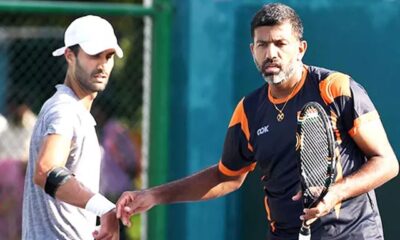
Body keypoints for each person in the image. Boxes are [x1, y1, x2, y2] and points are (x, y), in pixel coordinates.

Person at [115, 3, 399, 240]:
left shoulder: (335, 88)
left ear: (300, 48)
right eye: (262, 44)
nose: (271, 53)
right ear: (252, 51)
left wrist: (336, 192)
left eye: (280, 43)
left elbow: (387, 162)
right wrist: (153, 196)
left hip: (353, 234)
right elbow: (226, 176)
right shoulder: (249, 110)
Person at [22, 15, 124, 240]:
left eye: (108, 56)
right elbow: (46, 170)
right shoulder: (65, 109)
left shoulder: (75, 110)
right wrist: (104, 209)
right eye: (94, 55)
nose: (102, 64)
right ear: (70, 55)